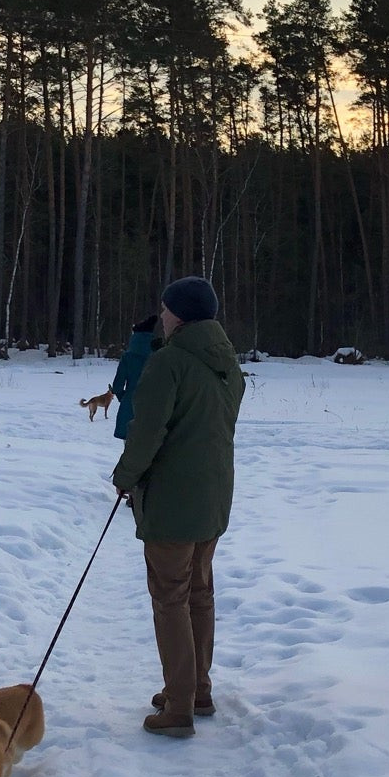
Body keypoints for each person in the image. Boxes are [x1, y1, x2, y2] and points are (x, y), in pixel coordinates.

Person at [111, 277, 246, 737]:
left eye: (166, 309)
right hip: (213, 497)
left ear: (180, 316)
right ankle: (197, 689)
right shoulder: (228, 363)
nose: (161, 316)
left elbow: (146, 431)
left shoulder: (169, 363)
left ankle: (179, 708)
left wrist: (125, 476)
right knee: (199, 592)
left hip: (174, 501)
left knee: (171, 597)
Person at [109, 315, 159, 440]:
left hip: (130, 407)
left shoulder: (128, 357)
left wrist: (123, 398)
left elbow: (117, 386)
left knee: (129, 452)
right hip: (155, 407)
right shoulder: (159, 355)